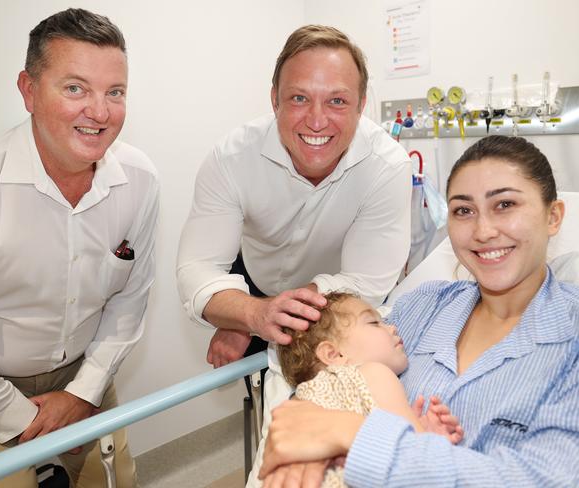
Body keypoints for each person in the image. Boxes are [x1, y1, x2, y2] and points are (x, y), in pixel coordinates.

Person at [259, 135, 579, 487]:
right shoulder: (421, 306)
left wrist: (350, 437)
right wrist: (303, 445)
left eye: (504, 204)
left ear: (553, 216)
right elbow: (336, 381)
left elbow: (558, 478)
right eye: (463, 211)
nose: (483, 230)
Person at [0, 8, 159, 488]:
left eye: (115, 93)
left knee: (115, 480)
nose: (100, 113)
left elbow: (130, 300)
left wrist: (84, 393)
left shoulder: (140, 179)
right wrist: (16, 418)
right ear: (28, 91)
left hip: (87, 373)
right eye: (75, 88)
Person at [176, 24, 412, 368]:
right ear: (275, 100)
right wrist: (247, 314)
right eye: (299, 98)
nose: (317, 121)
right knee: (261, 395)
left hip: (338, 299)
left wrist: (262, 315)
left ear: (361, 105)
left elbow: (365, 281)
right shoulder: (232, 158)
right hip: (254, 280)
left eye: (337, 101)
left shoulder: (387, 168)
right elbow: (198, 267)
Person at [271, 291, 462, 487]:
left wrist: (420, 427)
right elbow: (416, 458)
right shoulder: (373, 373)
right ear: (333, 354)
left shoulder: (301, 401)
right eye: (373, 323)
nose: (392, 327)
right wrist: (427, 435)